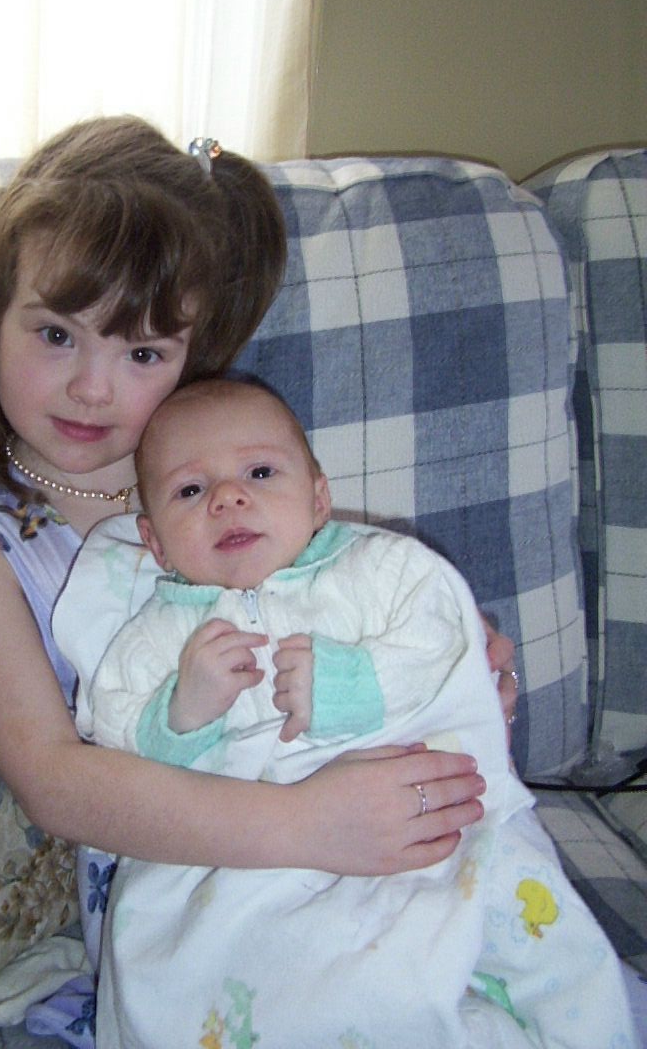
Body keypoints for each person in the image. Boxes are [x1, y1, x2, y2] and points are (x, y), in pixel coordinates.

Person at [0, 117, 514, 1047]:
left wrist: (454, 660)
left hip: (362, 844)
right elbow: (57, 782)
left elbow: (350, 588)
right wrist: (306, 827)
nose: (91, 388)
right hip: (190, 892)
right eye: (55, 334)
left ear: (192, 355)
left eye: (143, 353)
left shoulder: (224, 481)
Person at [60, 377, 635, 1048]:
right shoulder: (157, 635)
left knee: (530, 932)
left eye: (260, 473)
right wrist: (181, 713)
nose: (228, 497)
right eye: (190, 490)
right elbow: (114, 737)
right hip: (243, 858)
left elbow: (445, 638)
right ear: (156, 543)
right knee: (251, 981)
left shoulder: (378, 570)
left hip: (420, 814)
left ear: (318, 498)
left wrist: (354, 683)